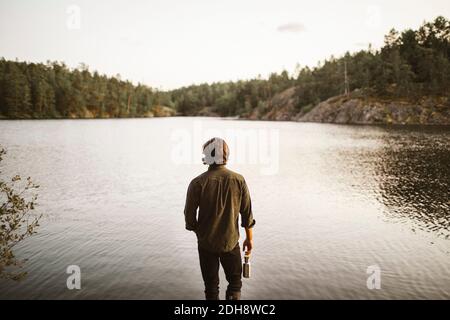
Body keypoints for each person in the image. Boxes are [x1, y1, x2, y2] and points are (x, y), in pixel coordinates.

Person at [184, 137, 256, 300]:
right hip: (231, 243)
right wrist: (249, 239)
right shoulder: (239, 180)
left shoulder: (197, 183)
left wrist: (200, 233)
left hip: (206, 244)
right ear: (226, 155)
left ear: (207, 157)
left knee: (211, 287)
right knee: (235, 284)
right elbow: (247, 214)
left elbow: (189, 219)